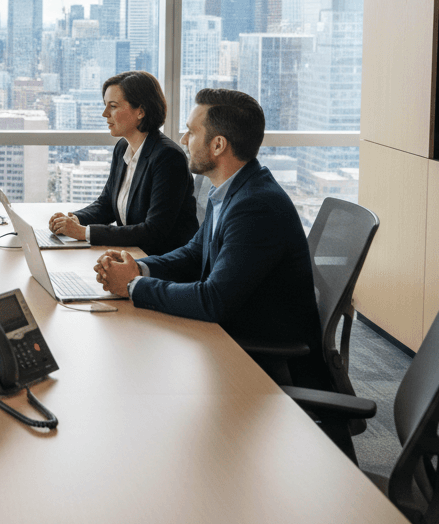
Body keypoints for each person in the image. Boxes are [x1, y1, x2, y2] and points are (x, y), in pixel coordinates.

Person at [93, 88, 330, 389]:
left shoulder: (256, 206)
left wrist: (132, 285)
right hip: (231, 334)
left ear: (218, 145)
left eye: (191, 132)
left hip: (265, 363)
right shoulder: (233, 190)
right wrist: (138, 267)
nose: (182, 140)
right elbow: (194, 253)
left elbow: (213, 299)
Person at [47, 71, 198, 255]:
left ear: (140, 111)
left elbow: (154, 231)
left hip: (162, 265)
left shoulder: (168, 158)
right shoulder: (122, 148)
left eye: (113, 106)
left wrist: (84, 232)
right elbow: (107, 205)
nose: (105, 114)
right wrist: (74, 219)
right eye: (105, 106)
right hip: (132, 255)